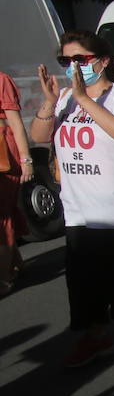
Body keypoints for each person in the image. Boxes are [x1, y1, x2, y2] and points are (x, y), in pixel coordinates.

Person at [28, 31, 114, 365]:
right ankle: (96, 338)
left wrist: (85, 99)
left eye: (81, 59)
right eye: (66, 60)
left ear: (102, 61)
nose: (73, 66)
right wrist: (49, 101)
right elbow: (39, 135)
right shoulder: (64, 100)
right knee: (84, 284)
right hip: (81, 211)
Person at [0, 70, 34, 292]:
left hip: (4, 156)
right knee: (6, 212)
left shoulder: (1, 79)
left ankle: (4, 278)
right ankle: (16, 263)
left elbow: (15, 123)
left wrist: (26, 160)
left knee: (2, 217)